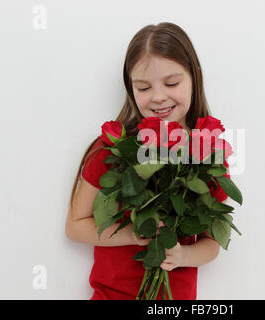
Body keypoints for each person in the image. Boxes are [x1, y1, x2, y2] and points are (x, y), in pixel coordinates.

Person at [66, 22, 230, 300]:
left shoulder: (206, 156)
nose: (158, 97)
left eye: (172, 83)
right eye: (143, 87)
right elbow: (75, 225)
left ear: (195, 76)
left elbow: (212, 244)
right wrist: (131, 235)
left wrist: (181, 255)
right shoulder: (112, 150)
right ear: (130, 89)